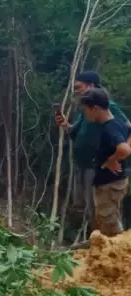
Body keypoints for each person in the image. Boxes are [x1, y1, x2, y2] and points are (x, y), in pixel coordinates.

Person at [55, 71, 131, 232]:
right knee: (92, 206)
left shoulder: (107, 108)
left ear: (90, 86)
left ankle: (112, 244)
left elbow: (127, 133)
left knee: (103, 209)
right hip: (83, 163)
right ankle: (97, 239)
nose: (75, 91)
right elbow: (75, 132)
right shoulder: (86, 108)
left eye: (78, 87)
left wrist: (115, 158)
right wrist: (65, 125)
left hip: (98, 167)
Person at [78, 87, 131, 237]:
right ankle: (103, 246)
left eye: (85, 110)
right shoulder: (117, 122)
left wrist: (112, 159)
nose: (85, 114)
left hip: (110, 184)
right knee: (105, 217)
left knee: (110, 222)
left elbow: (125, 150)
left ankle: (117, 253)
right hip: (109, 183)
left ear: (94, 108)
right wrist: (115, 156)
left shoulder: (110, 128)